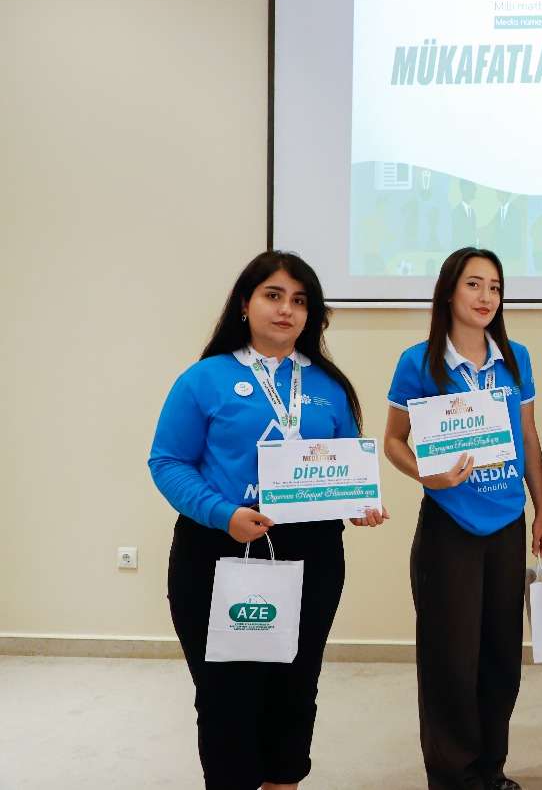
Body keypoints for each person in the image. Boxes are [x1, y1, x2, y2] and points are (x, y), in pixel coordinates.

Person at [149, 250, 387, 790]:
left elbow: (345, 464)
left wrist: (358, 503)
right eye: (273, 296)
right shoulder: (204, 379)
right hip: (218, 550)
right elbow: (167, 463)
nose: (286, 310)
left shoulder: (329, 386)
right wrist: (223, 513)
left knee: (295, 688)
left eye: (299, 301)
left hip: (312, 556)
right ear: (245, 303)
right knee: (225, 694)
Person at [383, 247, 542, 790]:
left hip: (506, 524)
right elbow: (393, 440)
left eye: (495, 288)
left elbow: (528, 437)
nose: (486, 297)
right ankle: (453, 778)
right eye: (474, 284)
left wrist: (541, 510)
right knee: (450, 660)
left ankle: (490, 771)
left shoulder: (516, 357)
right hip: (449, 526)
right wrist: (426, 475)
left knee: (500, 658)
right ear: (449, 291)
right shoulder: (418, 362)